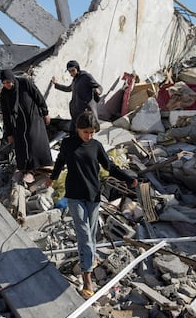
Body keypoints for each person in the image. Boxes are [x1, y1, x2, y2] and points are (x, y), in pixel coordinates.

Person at [45, 110, 137, 299]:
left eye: (92, 132)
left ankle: (88, 260)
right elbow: (60, 162)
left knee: (92, 234)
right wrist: (52, 178)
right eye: (85, 132)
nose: (89, 135)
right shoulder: (68, 144)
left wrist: (128, 178)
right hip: (74, 196)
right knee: (84, 234)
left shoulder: (96, 146)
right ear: (78, 129)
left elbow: (109, 167)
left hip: (93, 196)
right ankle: (87, 278)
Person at [0, 69, 53, 173]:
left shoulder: (24, 83)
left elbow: (38, 96)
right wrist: (9, 133)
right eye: (4, 83)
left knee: (36, 141)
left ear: (12, 79)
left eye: (8, 82)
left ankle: (44, 164)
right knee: (22, 145)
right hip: (18, 122)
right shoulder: (4, 94)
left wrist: (45, 112)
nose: (7, 85)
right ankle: (27, 169)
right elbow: (5, 115)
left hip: (33, 118)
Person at [51, 60, 103, 133]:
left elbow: (98, 86)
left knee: (86, 131)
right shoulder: (75, 79)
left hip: (85, 112)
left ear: (77, 68)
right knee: (74, 132)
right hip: (76, 112)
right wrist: (56, 84)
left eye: (73, 70)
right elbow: (68, 88)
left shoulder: (86, 76)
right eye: (69, 71)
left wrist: (98, 90)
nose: (71, 73)